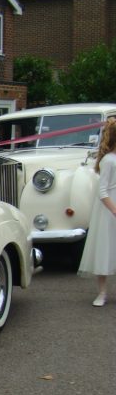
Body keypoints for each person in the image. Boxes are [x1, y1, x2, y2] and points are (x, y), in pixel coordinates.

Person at [78, 117, 116, 305]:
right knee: (105, 249)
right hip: (109, 210)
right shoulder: (109, 161)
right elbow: (103, 191)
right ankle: (102, 292)